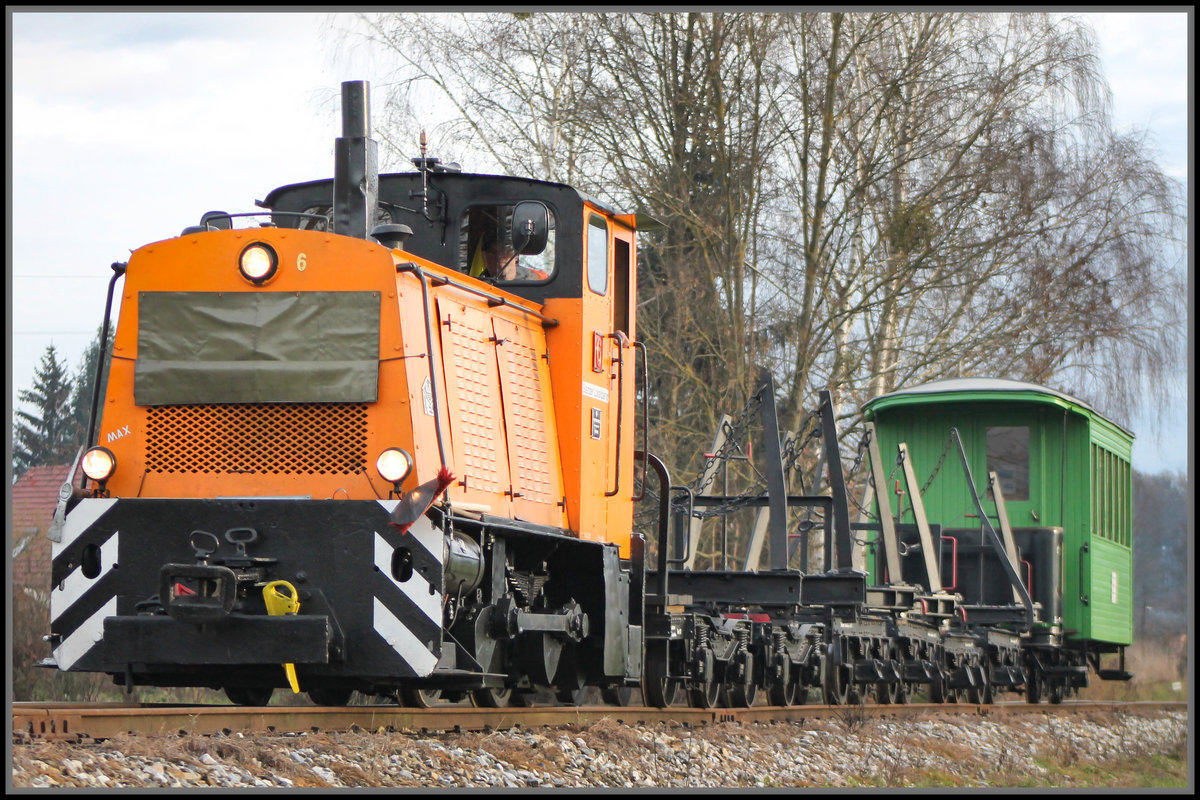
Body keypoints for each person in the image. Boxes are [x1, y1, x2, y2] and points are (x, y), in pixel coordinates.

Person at [480, 235, 546, 281]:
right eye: (493, 252)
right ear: (484, 257)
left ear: (516, 255)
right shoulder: (474, 287)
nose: (499, 256)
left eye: (505, 251)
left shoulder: (538, 282)